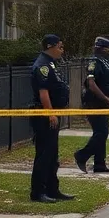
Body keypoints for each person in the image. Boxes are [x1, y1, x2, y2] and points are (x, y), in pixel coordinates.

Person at [29, 34, 74, 203]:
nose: (62, 50)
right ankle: (38, 192)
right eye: (60, 47)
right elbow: (43, 92)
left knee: (53, 154)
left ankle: (53, 189)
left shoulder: (51, 64)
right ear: (50, 46)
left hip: (53, 112)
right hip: (44, 114)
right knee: (44, 154)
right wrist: (50, 113)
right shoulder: (42, 66)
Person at [75, 37, 109, 174]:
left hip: (103, 103)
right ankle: (81, 155)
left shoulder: (104, 62)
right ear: (102, 48)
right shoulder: (94, 62)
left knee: (102, 132)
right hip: (94, 103)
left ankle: (100, 163)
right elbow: (91, 84)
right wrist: (105, 98)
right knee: (101, 133)